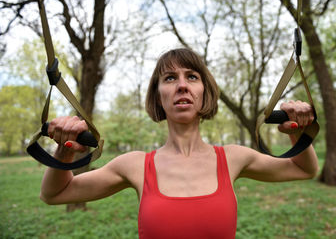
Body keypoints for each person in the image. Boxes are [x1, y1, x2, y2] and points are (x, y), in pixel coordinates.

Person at [40, 48, 319, 239]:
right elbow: (56, 193)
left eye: (192, 77)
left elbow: (302, 169)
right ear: (158, 95)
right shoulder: (135, 165)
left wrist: (298, 132)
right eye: (170, 78)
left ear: (204, 93)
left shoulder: (233, 158)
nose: (182, 85)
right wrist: (63, 152)